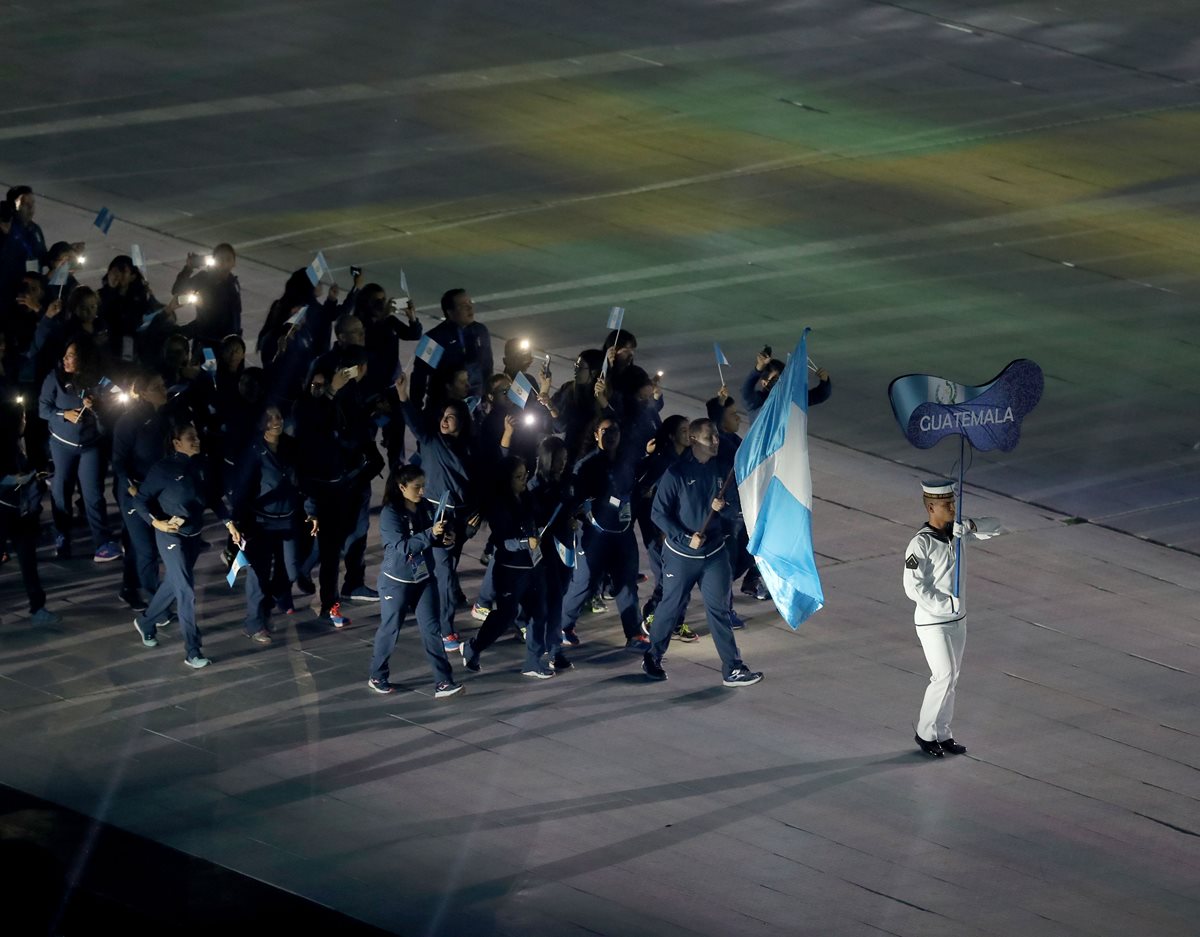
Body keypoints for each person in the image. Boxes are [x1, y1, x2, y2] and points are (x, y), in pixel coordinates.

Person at [642, 418, 762, 687]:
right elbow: (658, 513)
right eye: (711, 438)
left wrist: (724, 507)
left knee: (719, 610)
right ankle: (653, 655)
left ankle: (733, 667)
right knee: (670, 608)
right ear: (695, 440)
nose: (716, 441)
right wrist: (684, 536)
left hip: (714, 554)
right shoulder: (676, 473)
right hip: (682, 556)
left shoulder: (722, 470)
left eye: (717, 436)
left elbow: (733, 511)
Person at [903, 480, 1002, 757]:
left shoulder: (956, 533)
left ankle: (942, 733)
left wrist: (969, 526)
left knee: (952, 678)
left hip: (958, 619)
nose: (953, 508)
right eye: (948, 505)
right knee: (943, 676)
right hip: (933, 622)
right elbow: (913, 587)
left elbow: (996, 526)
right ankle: (925, 733)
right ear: (931, 507)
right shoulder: (920, 543)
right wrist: (945, 605)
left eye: (954, 503)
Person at [133, 420, 227, 668]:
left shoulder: (202, 465)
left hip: (193, 536)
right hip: (170, 536)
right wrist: (158, 523)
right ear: (176, 443)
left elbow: (213, 498)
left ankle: (145, 621)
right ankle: (193, 650)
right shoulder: (163, 469)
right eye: (190, 437)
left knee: (173, 584)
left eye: (196, 436)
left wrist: (229, 523)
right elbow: (140, 501)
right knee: (185, 591)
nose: (196, 440)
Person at [368, 466, 464, 698]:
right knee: (391, 629)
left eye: (423, 485)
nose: (422, 491)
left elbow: (434, 539)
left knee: (432, 630)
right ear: (402, 488)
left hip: (423, 579)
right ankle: (377, 674)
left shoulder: (427, 507)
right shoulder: (390, 513)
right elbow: (403, 547)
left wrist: (445, 538)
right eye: (417, 487)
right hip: (396, 582)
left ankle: (444, 681)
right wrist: (431, 534)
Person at [461, 456, 554, 678]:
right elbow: (501, 541)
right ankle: (474, 646)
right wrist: (525, 542)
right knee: (505, 614)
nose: (524, 481)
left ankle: (533, 661)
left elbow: (538, 519)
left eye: (525, 475)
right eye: (519, 477)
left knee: (539, 613)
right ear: (506, 480)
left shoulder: (527, 498)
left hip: (533, 566)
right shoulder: (499, 505)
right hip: (510, 570)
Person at [227, 406, 313, 643]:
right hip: (260, 523)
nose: (277, 421)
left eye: (279, 417)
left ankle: (268, 602)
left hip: (289, 520)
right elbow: (241, 490)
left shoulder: (291, 446)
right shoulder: (253, 451)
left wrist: (311, 511)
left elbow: (303, 481)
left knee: (292, 569)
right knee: (258, 574)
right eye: (271, 418)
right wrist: (234, 522)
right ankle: (254, 623)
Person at [37, 338, 122, 561]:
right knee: (61, 493)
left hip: (90, 445)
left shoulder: (100, 381)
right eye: (65, 355)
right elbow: (43, 409)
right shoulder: (54, 378)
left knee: (93, 495)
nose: (65, 360)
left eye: (71, 356)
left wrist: (97, 408)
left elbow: (118, 395)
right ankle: (62, 536)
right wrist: (63, 415)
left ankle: (102, 543)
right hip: (61, 444)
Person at [0, 399, 60, 624]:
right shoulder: (5, 445)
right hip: (4, 512)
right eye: (23, 417)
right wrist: (16, 479)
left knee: (29, 562)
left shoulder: (21, 443)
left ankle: (38, 608)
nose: (25, 421)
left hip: (22, 511)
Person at [409, 288, 492, 407]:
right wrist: (416, 407)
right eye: (463, 305)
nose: (470, 308)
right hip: (443, 406)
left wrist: (486, 396)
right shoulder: (434, 338)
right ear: (450, 312)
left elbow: (487, 367)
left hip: (475, 404)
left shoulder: (480, 331)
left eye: (470, 303)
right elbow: (419, 376)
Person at [172, 243, 242, 349]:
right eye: (221, 259)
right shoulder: (204, 278)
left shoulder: (233, 283)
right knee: (207, 366)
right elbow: (177, 290)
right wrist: (188, 268)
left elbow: (236, 316)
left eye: (228, 259)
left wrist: (237, 339)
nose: (224, 263)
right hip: (206, 343)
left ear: (234, 263)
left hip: (228, 345)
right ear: (215, 261)